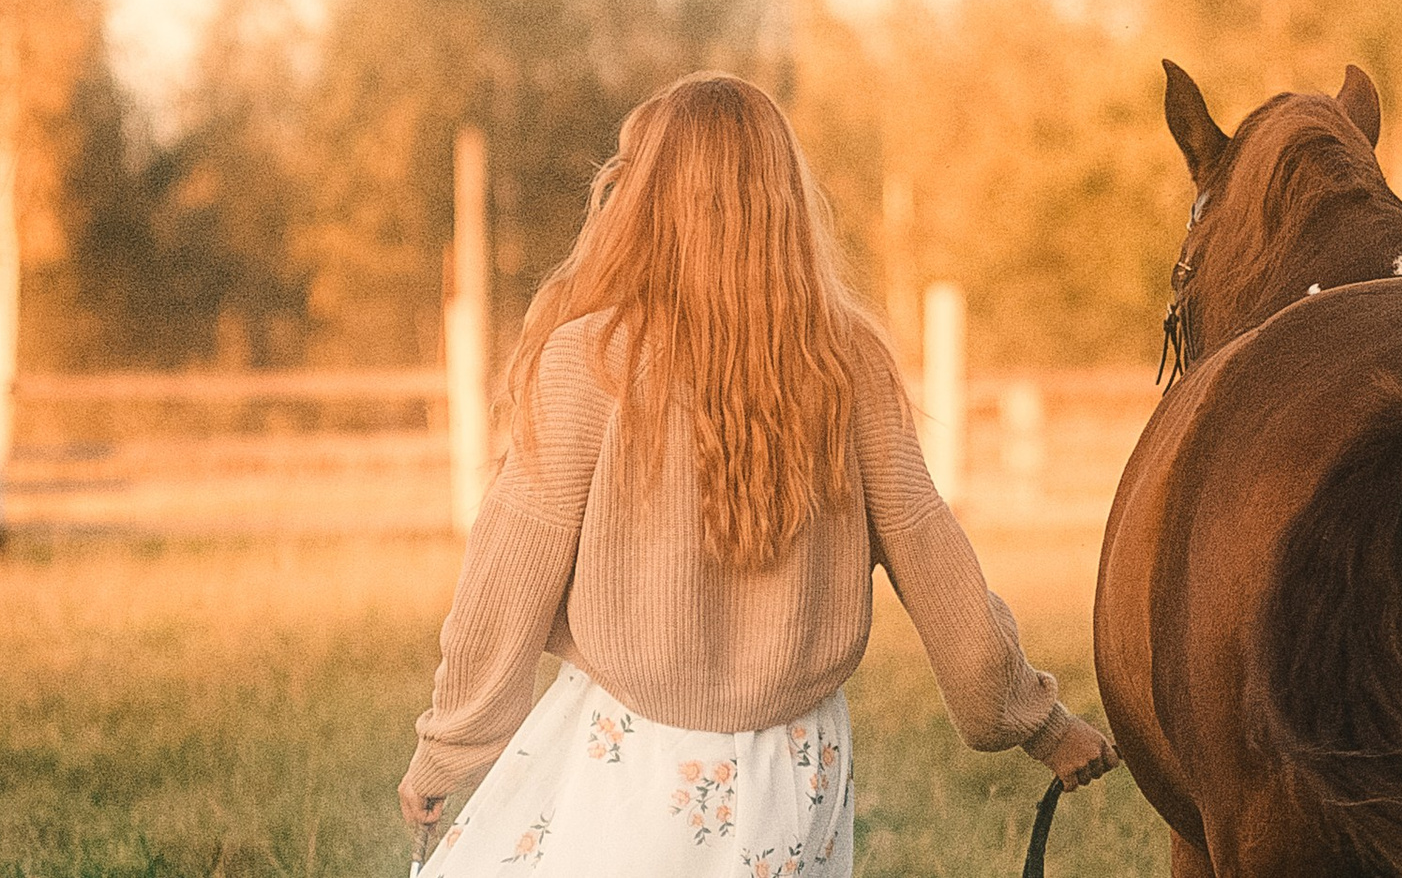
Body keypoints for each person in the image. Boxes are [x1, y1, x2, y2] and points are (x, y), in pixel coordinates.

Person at [399, 72, 1115, 876]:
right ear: (783, 202)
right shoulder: (849, 369)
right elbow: (945, 576)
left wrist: (448, 750)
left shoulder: (590, 361)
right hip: (799, 767)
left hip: (633, 760)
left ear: (647, 200)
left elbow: (505, 581)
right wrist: (1041, 725)